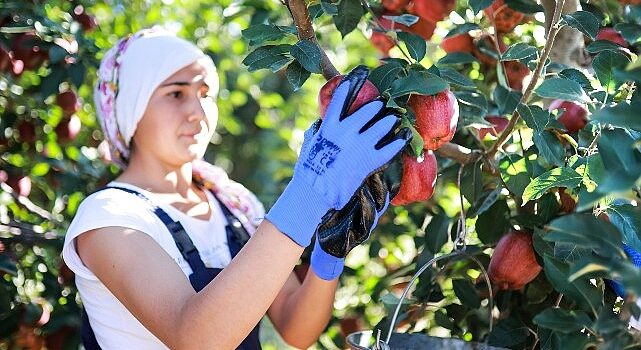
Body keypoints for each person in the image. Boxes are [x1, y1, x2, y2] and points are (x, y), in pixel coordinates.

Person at [62, 27, 411, 350]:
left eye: (204, 93)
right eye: (176, 93)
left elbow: (296, 327)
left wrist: (329, 255)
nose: (197, 112)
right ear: (131, 107)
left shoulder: (233, 206)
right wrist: (308, 193)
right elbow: (196, 337)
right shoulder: (109, 217)